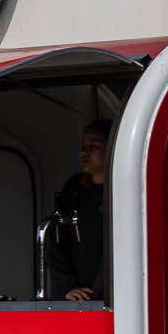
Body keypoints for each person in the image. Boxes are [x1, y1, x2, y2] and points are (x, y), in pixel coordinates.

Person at [47, 120, 112, 302]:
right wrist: (67, 287)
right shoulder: (74, 189)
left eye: (94, 146)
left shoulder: (122, 191)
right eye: (83, 146)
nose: (84, 152)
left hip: (114, 299)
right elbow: (57, 240)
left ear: (112, 147)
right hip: (77, 299)